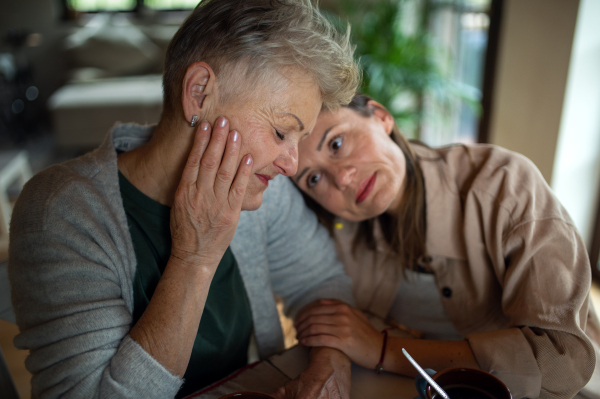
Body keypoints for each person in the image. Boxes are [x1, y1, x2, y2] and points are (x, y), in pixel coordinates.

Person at [7, 1, 361, 398]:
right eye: (281, 132)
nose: (291, 165)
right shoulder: (61, 213)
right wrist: (196, 258)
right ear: (199, 94)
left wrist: (331, 360)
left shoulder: (259, 187)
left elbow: (321, 281)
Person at [292, 93, 600, 398]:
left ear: (381, 116)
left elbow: (562, 362)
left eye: (336, 143)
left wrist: (383, 350)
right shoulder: (340, 229)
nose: (342, 179)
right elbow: (328, 316)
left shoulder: (506, 186)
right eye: (314, 179)